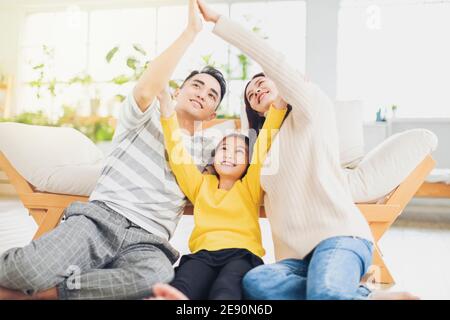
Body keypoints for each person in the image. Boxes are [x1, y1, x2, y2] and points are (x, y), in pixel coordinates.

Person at [0, 0, 226, 300]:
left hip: (149, 240)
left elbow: (244, 164)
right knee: (25, 270)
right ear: (176, 90)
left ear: (212, 115)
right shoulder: (143, 117)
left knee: (157, 277)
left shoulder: (208, 149)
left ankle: (50, 294)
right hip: (100, 219)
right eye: (197, 85)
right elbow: (147, 89)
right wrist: (190, 32)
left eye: (212, 95)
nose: (202, 94)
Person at [194, 0, 419, 300]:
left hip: (339, 238)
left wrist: (220, 21)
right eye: (250, 95)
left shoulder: (312, 109)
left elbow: (273, 61)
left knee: (324, 292)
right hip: (295, 261)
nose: (256, 90)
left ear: (281, 83)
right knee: (256, 284)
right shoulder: (262, 150)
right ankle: (363, 295)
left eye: (261, 83)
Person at [152, 82, 287, 300]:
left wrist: (278, 107)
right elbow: (178, 154)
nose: (229, 155)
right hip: (202, 256)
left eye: (239, 152)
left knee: (226, 289)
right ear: (213, 159)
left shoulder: (250, 186)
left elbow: (263, 144)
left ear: (247, 163)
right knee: (184, 283)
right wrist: (167, 110)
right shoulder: (200, 184)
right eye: (224, 149)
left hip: (241, 256)